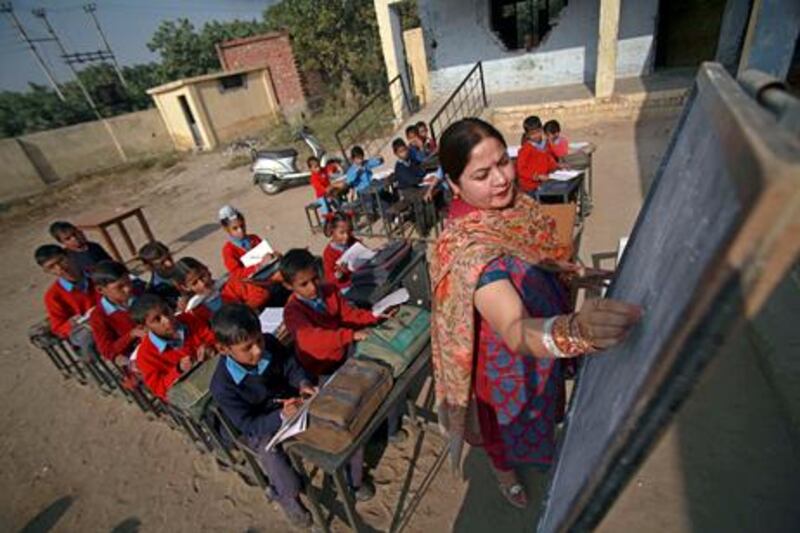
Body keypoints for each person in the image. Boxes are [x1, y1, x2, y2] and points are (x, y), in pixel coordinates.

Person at [431, 118, 641, 508]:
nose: (500, 180)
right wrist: (576, 331)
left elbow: (536, 256)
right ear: (455, 185)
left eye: (502, 163)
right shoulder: (469, 251)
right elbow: (513, 328)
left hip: (540, 342)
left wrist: (575, 273)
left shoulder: (516, 209)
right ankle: (503, 474)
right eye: (482, 174)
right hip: (501, 361)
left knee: (541, 407)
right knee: (500, 428)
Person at [209, 303, 316, 527]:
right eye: (247, 347)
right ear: (223, 350)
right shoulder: (222, 386)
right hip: (261, 425)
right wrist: (280, 417)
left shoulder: (271, 343)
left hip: (288, 402)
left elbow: (291, 367)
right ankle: (287, 497)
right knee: (271, 454)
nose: (258, 350)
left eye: (259, 340)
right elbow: (248, 424)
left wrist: (303, 383)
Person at [131, 294, 217, 401]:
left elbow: (212, 337)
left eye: (166, 311)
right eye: (157, 319)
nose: (167, 320)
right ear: (144, 328)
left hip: (213, 371)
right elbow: (160, 390)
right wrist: (178, 370)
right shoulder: (145, 356)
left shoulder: (187, 319)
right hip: (194, 394)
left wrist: (209, 346)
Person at [35, 245, 99, 358]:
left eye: (61, 261)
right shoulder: (53, 296)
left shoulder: (96, 274)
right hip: (92, 329)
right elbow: (58, 328)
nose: (60, 268)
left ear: (68, 255)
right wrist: (71, 323)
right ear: (46, 271)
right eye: (52, 267)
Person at [173, 257, 275, 319]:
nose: (202, 284)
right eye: (195, 283)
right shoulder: (195, 310)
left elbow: (261, 293)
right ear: (186, 287)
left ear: (207, 270)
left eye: (202, 276)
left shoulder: (227, 284)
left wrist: (245, 309)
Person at [88, 260, 146, 364]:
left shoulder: (140, 291)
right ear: (100, 290)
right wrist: (131, 335)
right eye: (120, 287)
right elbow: (107, 351)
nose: (128, 289)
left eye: (128, 282)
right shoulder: (98, 316)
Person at [219, 205, 277, 279]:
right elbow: (236, 273)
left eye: (242, 226)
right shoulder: (228, 250)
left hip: (269, 272)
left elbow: (268, 254)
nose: (240, 230)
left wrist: (274, 255)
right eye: (235, 228)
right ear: (226, 229)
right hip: (251, 282)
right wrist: (258, 266)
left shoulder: (254, 238)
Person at [515, 115, 558, 193]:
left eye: (538, 132)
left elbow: (549, 159)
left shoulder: (545, 144)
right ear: (527, 135)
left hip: (544, 181)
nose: (536, 136)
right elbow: (521, 169)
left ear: (541, 130)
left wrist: (557, 166)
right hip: (530, 186)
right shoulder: (526, 149)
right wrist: (537, 176)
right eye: (532, 134)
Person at [322, 212, 360, 292]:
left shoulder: (353, 241)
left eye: (349, 231)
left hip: (359, 278)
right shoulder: (329, 253)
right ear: (332, 231)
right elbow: (329, 278)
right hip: (345, 286)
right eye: (342, 233)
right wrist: (338, 274)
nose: (346, 236)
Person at [138, 241, 183, 308]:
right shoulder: (155, 292)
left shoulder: (184, 269)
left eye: (169, 258)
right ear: (150, 267)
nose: (169, 264)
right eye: (162, 263)